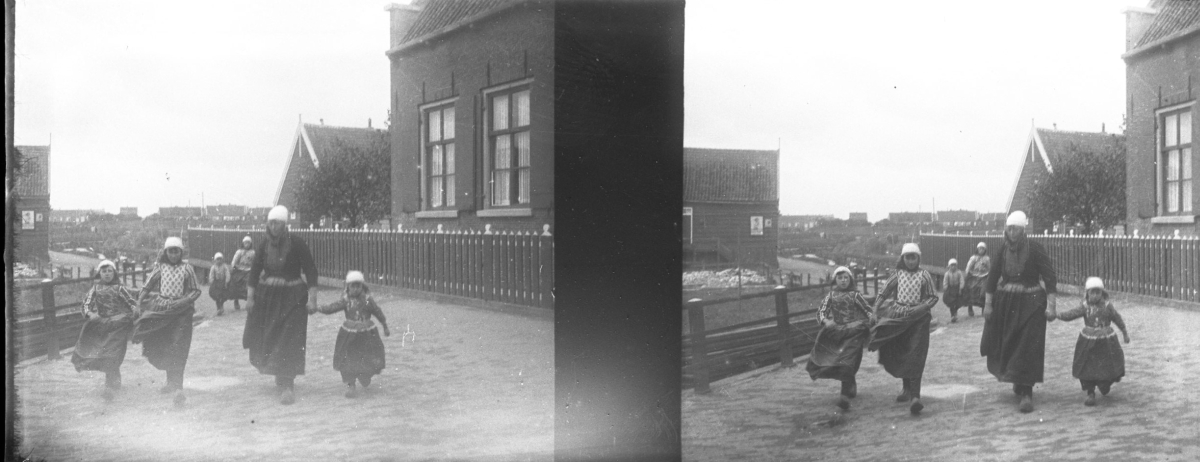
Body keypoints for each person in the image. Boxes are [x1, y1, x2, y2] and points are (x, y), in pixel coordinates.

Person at [980, 210, 1057, 413]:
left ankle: (1027, 393)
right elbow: (992, 276)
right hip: (1007, 304)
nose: (1012, 232)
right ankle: (1017, 379)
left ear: (1023, 230)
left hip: (1032, 303)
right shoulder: (1003, 249)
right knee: (1011, 343)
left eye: (1015, 229)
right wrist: (988, 304)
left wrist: (1051, 306)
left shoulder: (1035, 248)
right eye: (1009, 229)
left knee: (1028, 346)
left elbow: (1049, 276)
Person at [243, 205, 318, 405]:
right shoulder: (263, 245)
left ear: (285, 224)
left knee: (290, 339)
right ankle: (279, 372)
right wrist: (250, 298)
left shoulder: (297, 243)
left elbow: (310, 269)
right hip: (268, 297)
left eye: (277, 223)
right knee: (272, 336)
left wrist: (312, 298)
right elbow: (254, 270)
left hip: (293, 297)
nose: (274, 227)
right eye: (271, 223)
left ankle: (287, 384)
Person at [869, 243, 939, 415]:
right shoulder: (897, 275)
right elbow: (884, 292)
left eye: (913, 257)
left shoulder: (924, 275)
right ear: (902, 258)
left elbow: (933, 297)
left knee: (916, 354)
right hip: (899, 317)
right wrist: (875, 309)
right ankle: (906, 388)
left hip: (918, 319)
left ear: (918, 258)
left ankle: (915, 396)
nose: (910, 261)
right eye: (907, 257)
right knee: (902, 352)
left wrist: (920, 308)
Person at [132, 237, 201, 408]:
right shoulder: (160, 268)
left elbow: (196, 291)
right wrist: (138, 303)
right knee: (162, 344)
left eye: (176, 251)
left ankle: (178, 388)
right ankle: (170, 382)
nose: (173, 255)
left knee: (179, 346)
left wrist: (184, 301)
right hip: (162, 309)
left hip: (181, 312)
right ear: (166, 252)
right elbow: (147, 286)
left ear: (181, 252)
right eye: (170, 251)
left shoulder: (187, 269)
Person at [310, 271, 392, 398]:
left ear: (362, 286)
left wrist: (385, 325)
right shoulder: (346, 300)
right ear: (347, 287)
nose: (355, 289)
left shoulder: (368, 300)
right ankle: (351, 384)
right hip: (349, 334)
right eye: (352, 286)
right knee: (347, 359)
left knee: (368, 357)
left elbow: (377, 312)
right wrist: (318, 308)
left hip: (366, 333)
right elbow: (332, 308)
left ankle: (365, 375)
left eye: (358, 286)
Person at [806, 266, 875, 411]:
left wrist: (871, 320)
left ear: (850, 279)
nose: (843, 281)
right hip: (837, 332)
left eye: (846, 278)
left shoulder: (855, 295)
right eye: (840, 278)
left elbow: (868, 310)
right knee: (838, 360)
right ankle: (851, 383)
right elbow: (821, 313)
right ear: (835, 280)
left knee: (848, 359)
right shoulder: (831, 296)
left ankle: (844, 397)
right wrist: (826, 321)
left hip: (854, 331)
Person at [1057, 277, 1129, 407]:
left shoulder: (1107, 306)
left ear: (1102, 293)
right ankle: (1090, 392)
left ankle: (1105, 384)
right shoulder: (1085, 306)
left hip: (1106, 341)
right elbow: (1073, 313)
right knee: (1087, 366)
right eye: (1092, 292)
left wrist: (1124, 332)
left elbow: (1117, 318)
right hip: (1088, 341)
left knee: (1108, 363)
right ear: (1087, 293)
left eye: (1098, 292)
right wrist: (1059, 315)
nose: (1095, 295)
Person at [72, 260, 138, 401]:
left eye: (109, 271)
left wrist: (133, 314)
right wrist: (90, 314)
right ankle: (113, 381)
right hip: (102, 325)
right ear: (99, 273)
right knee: (105, 352)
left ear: (114, 273)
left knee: (113, 352)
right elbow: (86, 305)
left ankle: (109, 385)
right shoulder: (96, 289)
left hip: (118, 325)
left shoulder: (119, 288)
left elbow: (132, 303)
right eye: (104, 271)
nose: (107, 274)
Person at [963, 242, 991, 317]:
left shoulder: (987, 258)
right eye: (979, 249)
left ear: (985, 250)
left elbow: (989, 267)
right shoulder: (974, 258)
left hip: (984, 276)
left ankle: (983, 308)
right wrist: (967, 273)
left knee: (983, 291)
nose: (981, 250)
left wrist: (990, 274)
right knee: (971, 290)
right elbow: (969, 266)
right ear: (977, 249)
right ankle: (970, 307)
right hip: (974, 276)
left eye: (983, 249)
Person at [228, 236, 255, 311]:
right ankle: (236, 300)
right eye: (245, 243)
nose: (247, 244)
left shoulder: (253, 252)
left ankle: (249, 301)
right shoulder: (239, 252)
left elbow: (255, 261)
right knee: (235, 283)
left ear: (251, 244)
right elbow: (234, 260)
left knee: (249, 283)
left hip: (249, 270)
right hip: (240, 269)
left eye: (248, 243)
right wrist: (233, 267)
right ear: (243, 243)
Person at [943, 259, 966, 323]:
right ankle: (952, 315)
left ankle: (955, 311)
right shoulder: (947, 274)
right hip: (950, 290)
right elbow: (945, 281)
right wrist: (945, 288)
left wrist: (961, 288)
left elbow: (961, 280)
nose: (953, 267)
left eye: (954, 265)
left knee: (958, 302)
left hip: (957, 289)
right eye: (951, 265)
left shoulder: (959, 272)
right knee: (951, 303)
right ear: (949, 266)